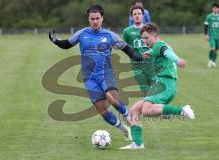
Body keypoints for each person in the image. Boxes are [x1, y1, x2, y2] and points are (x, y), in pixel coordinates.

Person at [49, 4, 148, 140]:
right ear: (88, 19)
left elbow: (128, 50)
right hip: (89, 78)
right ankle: (124, 129)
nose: (95, 21)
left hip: (105, 73)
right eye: (92, 19)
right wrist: (55, 40)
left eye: (97, 18)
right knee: (102, 111)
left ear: (102, 18)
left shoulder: (110, 36)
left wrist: (142, 57)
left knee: (111, 98)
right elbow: (67, 44)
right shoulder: (82, 33)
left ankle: (128, 116)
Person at [120, 23, 195, 149]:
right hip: (160, 83)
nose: (144, 41)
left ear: (155, 35)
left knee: (146, 110)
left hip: (164, 84)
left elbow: (167, 52)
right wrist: (148, 53)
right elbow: (159, 51)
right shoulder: (156, 46)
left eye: (146, 38)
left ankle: (182, 111)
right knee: (134, 110)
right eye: (142, 38)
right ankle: (137, 144)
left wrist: (177, 60)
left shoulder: (160, 45)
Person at [123, 5, 155, 95]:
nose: (137, 15)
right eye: (134, 14)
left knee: (157, 89)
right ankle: (149, 108)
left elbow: (156, 44)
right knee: (146, 92)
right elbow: (123, 47)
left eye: (139, 13)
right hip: (137, 66)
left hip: (152, 64)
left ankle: (156, 108)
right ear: (131, 16)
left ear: (143, 15)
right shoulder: (127, 31)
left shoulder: (150, 29)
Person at [204, 3, 219, 68]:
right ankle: (210, 61)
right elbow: (206, 26)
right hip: (211, 35)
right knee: (212, 48)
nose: (215, 9)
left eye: (216, 8)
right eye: (214, 8)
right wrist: (206, 34)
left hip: (218, 35)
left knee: (216, 49)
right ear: (212, 9)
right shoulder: (209, 16)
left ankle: (213, 61)